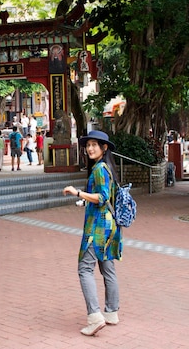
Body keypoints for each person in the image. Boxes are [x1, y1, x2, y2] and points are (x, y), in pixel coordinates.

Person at [62, 130, 122, 336]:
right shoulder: (106, 168)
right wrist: (85, 200)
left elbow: (103, 197)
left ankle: (95, 317)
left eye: (95, 145)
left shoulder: (99, 169)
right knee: (108, 268)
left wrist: (77, 192)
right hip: (109, 226)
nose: (90, 148)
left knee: (84, 268)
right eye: (88, 145)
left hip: (97, 228)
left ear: (104, 148)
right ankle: (111, 312)